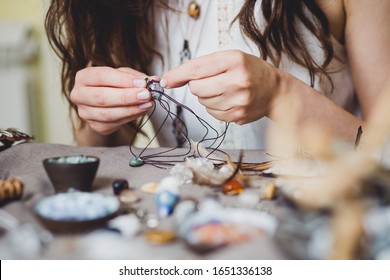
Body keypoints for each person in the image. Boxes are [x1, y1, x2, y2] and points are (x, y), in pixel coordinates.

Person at [44, 0, 390, 150]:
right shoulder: (119, 9)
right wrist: (98, 114)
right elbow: (95, 150)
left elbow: (384, 153)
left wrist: (280, 93)